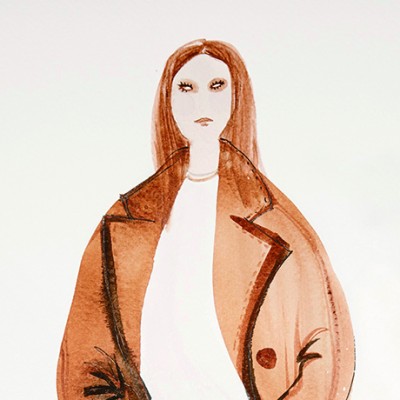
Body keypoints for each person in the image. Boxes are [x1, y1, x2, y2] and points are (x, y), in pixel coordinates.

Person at [57, 39, 355, 400]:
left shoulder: (275, 219)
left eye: (217, 86)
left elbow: (326, 346)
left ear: (236, 96)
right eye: (186, 88)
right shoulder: (124, 220)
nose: (202, 104)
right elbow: (85, 361)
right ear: (167, 101)